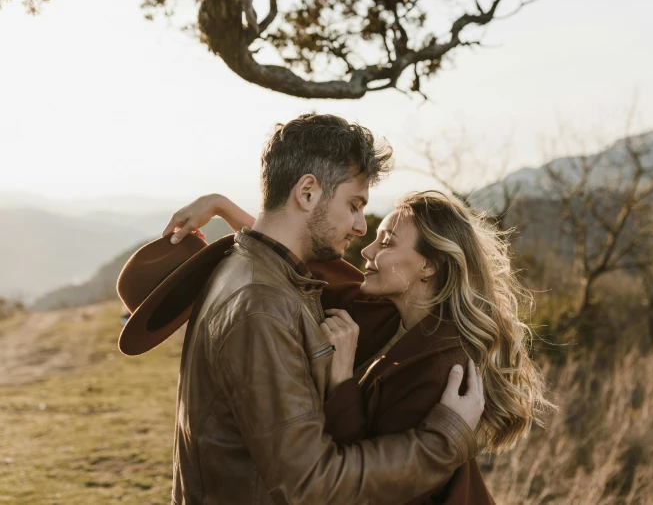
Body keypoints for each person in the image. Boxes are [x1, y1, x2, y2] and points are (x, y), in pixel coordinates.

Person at [165, 114, 485, 505]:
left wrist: (221, 205)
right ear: (308, 193)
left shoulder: (261, 271)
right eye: (354, 204)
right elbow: (312, 483)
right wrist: (444, 440)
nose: (360, 227)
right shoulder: (260, 306)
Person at [169, 186, 552, 503]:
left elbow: (373, 483)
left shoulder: (441, 368)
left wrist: (340, 379)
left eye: (386, 242)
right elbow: (286, 255)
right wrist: (220, 206)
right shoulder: (380, 309)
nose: (367, 250)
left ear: (429, 266)